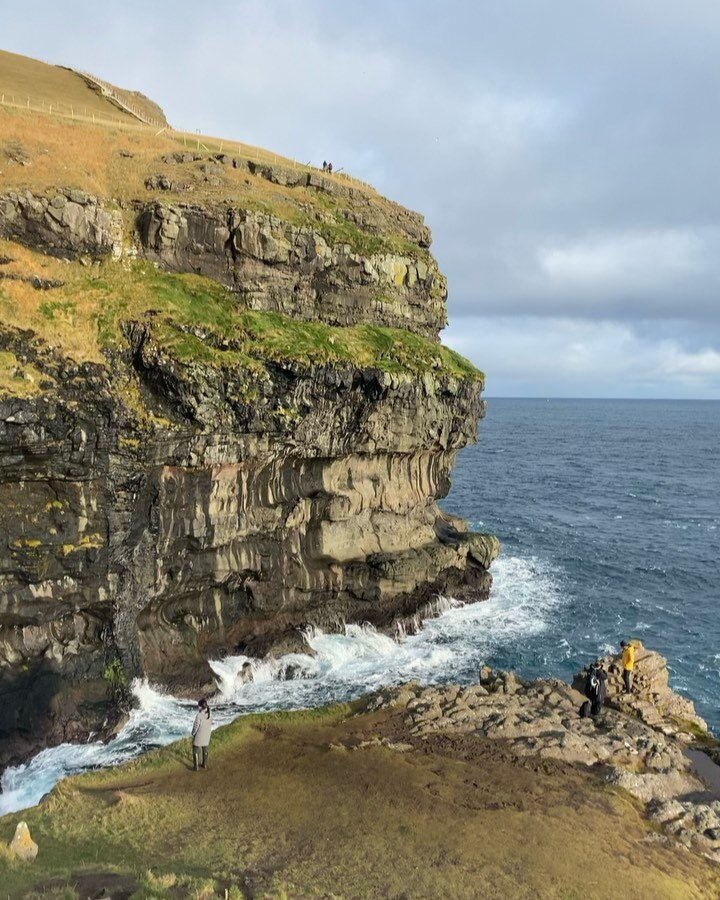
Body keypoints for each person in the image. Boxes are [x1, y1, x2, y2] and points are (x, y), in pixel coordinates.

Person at [191, 698, 212, 771]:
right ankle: (204, 764)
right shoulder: (210, 712)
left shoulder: (199, 715)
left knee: (195, 749)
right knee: (205, 748)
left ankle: (196, 767)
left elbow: (196, 726)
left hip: (199, 735)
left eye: (198, 706)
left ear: (200, 706)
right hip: (207, 734)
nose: (198, 707)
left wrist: (193, 733)